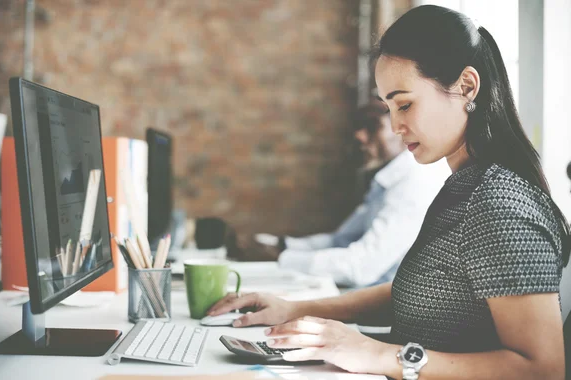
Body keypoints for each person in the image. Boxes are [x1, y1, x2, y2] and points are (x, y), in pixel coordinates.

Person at [207, 5, 571, 379]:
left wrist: (379, 355)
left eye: (405, 104)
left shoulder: (500, 205)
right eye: (388, 107)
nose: (396, 125)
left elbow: (542, 370)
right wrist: (295, 310)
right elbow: (416, 294)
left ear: (466, 86)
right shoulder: (463, 187)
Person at [233, 97, 449, 288]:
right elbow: (340, 240)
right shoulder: (389, 179)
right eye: (358, 127)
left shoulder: (416, 181)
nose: (359, 136)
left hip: (385, 311)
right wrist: (278, 244)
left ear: (402, 128)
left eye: (372, 125)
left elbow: (362, 267)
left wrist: (280, 257)